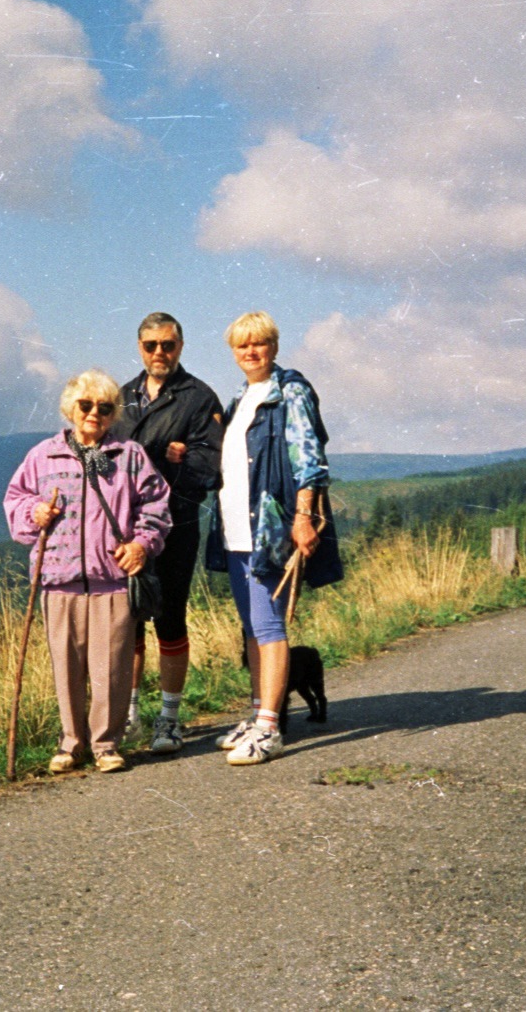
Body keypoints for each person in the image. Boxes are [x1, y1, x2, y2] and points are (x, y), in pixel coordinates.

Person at [4, 370, 171, 774]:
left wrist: (141, 545)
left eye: (104, 407)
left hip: (112, 579)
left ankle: (106, 744)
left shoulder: (129, 456)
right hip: (58, 581)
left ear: (114, 414)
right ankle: (71, 743)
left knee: (111, 668)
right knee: (66, 666)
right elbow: (15, 499)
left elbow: (156, 506)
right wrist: (34, 511)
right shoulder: (42, 456)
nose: (93, 413)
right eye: (85, 405)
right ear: (70, 408)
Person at [205, 311, 343, 765]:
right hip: (235, 528)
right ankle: (258, 713)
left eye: (259, 343)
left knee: (268, 625)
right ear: (233, 352)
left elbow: (310, 460)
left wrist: (303, 518)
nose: (251, 351)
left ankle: (270, 727)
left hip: (270, 528)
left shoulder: (291, 392)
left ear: (274, 346)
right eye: (242, 345)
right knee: (250, 626)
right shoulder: (242, 397)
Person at [117, 312, 223, 755]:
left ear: (181, 346)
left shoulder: (199, 397)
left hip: (175, 526)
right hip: (126, 530)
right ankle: (130, 717)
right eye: (151, 345)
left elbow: (215, 465)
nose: (159, 353)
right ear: (139, 348)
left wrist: (184, 459)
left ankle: (170, 719)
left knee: (170, 619)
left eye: (168, 345)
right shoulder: (121, 398)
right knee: (128, 623)